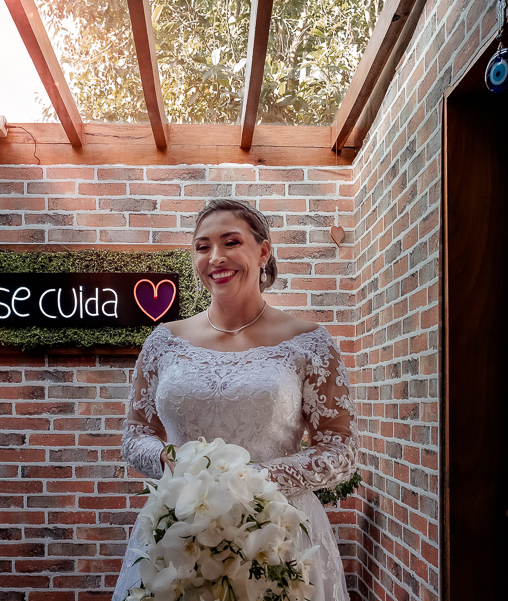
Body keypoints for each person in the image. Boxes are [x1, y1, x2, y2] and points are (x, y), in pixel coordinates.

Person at [112, 199, 359, 601]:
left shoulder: (309, 342)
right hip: (182, 531)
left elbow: (340, 448)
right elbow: (136, 435)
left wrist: (249, 482)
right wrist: (171, 463)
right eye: (203, 246)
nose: (215, 257)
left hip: (278, 533)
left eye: (231, 242)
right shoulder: (163, 342)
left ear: (263, 252)